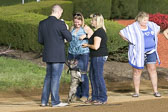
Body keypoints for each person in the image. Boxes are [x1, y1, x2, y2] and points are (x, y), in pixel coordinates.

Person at [119, 12, 161, 97]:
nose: (146, 21)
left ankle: (156, 91)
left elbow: (158, 28)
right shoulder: (133, 27)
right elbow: (121, 33)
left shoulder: (151, 25)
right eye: (144, 20)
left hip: (151, 51)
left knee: (152, 69)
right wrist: (131, 41)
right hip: (138, 52)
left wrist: (154, 37)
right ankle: (137, 92)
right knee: (137, 71)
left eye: (147, 19)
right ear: (139, 19)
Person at [38, 4, 72, 107]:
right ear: (58, 11)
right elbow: (69, 38)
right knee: (55, 78)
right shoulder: (60, 24)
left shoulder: (42, 23)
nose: (61, 14)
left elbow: (40, 40)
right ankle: (55, 101)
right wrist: (66, 27)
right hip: (58, 55)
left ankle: (44, 101)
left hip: (48, 54)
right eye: (61, 13)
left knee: (48, 77)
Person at [82, 13, 108, 104]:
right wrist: (85, 36)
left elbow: (96, 46)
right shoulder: (98, 31)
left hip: (98, 56)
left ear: (97, 21)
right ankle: (95, 97)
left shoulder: (99, 32)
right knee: (93, 76)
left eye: (93, 20)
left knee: (98, 76)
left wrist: (87, 45)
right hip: (96, 56)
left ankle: (102, 98)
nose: (91, 21)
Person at [68, 12, 93, 102]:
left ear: (82, 21)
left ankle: (85, 94)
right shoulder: (72, 28)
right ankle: (76, 94)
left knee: (82, 74)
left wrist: (85, 36)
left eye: (78, 22)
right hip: (72, 53)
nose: (77, 24)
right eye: (75, 22)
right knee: (75, 75)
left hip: (83, 53)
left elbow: (93, 35)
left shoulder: (85, 28)